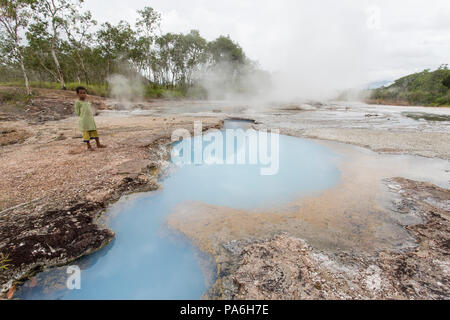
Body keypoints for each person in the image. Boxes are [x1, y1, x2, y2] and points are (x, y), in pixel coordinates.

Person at [74, 86, 106, 151]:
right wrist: (83, 117)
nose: (83, 94)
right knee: (86, 134)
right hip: (84, 121)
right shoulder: (78, 102)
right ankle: (89, 146)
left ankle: (98, 144)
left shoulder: (87, 102)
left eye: (84, 93)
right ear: (77, 94)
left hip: (90, 120)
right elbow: (78, 112)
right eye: (81, 93)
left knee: (94, 131)